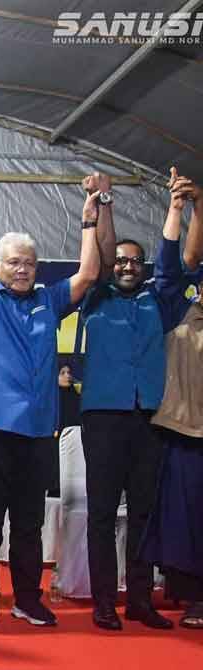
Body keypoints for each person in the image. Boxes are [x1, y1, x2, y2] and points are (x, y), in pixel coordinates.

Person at [0, 174, 101, 627]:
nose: (23, 269)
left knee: (28, 523)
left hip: (38, 432)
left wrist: (88, 223)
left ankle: (26, 598)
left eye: (30, 263)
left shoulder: (49, 299)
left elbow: (91, 273)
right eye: (14, 263)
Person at [78, 171, 182, 631]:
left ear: (144, 268)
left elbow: (173, 263)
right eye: (121, 260)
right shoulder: (96, 297)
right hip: (103, 418)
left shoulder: (157, 301)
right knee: (102, 513)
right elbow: (99, 257)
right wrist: (105, 203)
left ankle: (139, 598)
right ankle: (104, 602)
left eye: (134, 262)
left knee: (143, 512)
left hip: (148, 419)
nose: (126, 266)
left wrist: (178, 209)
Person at [140, 168, 203, 631]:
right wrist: (183, 208)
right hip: (185, 429)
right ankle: (194, 596)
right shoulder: (176, 305)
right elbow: (171, 262)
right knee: (187, 521)